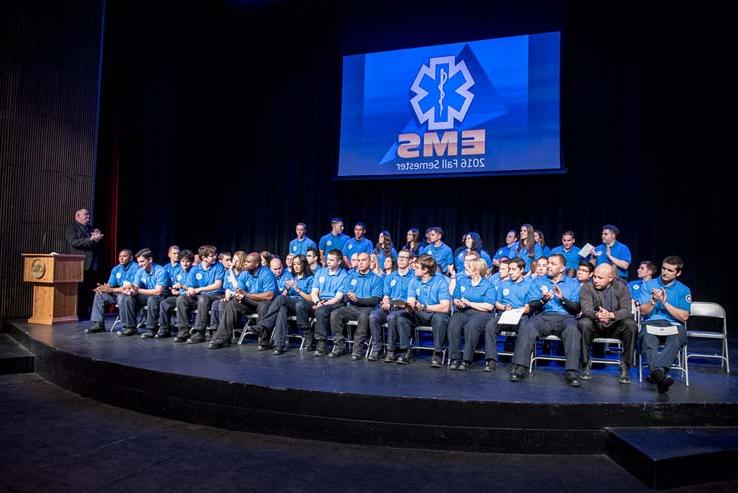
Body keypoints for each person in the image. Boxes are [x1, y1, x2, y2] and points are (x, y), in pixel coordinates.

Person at [509, 254, 583, 387]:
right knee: (528, 326)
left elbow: (576, 309)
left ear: (562, 268)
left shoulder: (572, 283)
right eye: (548, 262)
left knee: (573, 328)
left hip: (565, 318)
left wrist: (562, 299)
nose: (549, 266)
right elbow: (531, 305)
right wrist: (543, 300)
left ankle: (572, 371)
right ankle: (520, 367)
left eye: (553, 264)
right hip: (543, 316)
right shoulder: (538, 281)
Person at [637, 256, 691, 393]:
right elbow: (643, 311)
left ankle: (656, 372)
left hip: (673, 324)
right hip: (651, 322)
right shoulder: (649, 285)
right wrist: (654, 300)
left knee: (677, 337)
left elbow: (684, 317)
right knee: (647, 338)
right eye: (663, 268)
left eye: (670, 270)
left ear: (678, 273)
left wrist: (665, 303)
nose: (665, 272)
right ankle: (660, 375)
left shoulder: (684, 290)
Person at [578, 264, 636, 384]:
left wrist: (610, 315)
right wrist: (598, 315)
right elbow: (586, 309)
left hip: (615, 325)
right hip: (596, 325)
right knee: (584, 323)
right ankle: (585, 364)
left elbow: (626, 310)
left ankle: (625, 366)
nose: (595, 280)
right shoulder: (587, 287)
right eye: (594, 276)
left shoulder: (621, 286)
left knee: (631, 325)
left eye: (600, 278)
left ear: (611, 278)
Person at [210, 252, 277, 349]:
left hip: (265, 302)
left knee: (265, 305)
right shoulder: (244, 274)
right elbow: (240, 290)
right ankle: (221, 338)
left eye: (248, 262)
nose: (244, 263)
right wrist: (238, 295)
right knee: (233, 304)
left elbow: (269, 295)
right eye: (245, 261)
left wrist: (247, 294)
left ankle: (264, 341)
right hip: (250, 302)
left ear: (256, 264)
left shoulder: (266, 273)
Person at [397, 254, 451, 367]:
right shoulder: (414, 281)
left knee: (440, 319)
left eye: (417, 267)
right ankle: (405, 351)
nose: (414, 269)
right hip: (420, 313)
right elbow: (411, 300)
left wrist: (425, 307)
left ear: (425, 270)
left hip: (435, 313)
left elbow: (445, 307)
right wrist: (408, 306)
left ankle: (437, 353)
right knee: (403, 317)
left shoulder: (440, 282)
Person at [328, 252, 383, 359]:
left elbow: (375, 300)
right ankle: (339, 345)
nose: (360, 263)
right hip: (352, 307)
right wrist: (348, 296)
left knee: (363, 316)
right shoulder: (351, 277)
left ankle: (358, 349)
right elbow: (344, 295)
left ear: (370, 262)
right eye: (358, 260)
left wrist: (358, 299)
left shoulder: (376, 279)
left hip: (368, 308)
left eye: (363, 260)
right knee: (336, 313)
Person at [447, 257, 496, 370]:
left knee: (471, 326)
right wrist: (458, 302)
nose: (466, 269)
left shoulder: (488, 285)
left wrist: (469, 303)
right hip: (463, 311)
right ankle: (454, 358)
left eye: (469, 267)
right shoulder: (463, 281)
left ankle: (466, 360)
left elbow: (489, 306)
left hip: (481, 313)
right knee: (454, 323)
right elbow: (456, 297)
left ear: (476, 270)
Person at [483, 257, 531, 371]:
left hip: (520, 316)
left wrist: (517, 311)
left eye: (514, 269)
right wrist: (504, 307)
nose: (510, 272)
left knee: (525, 328)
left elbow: (528, 308)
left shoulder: (528, 285)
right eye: (509, 269)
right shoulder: (503, 284)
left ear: (522, 269)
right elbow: (497, 303)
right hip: (504, 314)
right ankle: (491, 360)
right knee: (490, 325)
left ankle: (518, 363)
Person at [370, 250, 414, 363]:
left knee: (392, 317)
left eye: (404, 257)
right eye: (399, 257)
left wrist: (394, 303)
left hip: (404, 309)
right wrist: (385, 302)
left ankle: (391, 350)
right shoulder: (391, 276)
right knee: (374, 316)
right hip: (390, 306)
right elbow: (386, 295)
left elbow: (411, 301)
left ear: (410, 261)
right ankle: (377, 349)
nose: (401, 259)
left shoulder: (414, 277)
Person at [175, 245, 225, 344]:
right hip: (201, 296)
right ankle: (183, 330)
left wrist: (199, 289)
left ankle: (199, 332)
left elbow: (217, 285)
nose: (215, 257)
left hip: (216, 296)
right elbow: (190, 285)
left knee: (203, 298)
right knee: (182, 298)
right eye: (212, 255)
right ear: (203, 258)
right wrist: (191, 290)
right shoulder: (195, 269)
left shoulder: (219, 266)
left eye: (215, 255)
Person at [265, 254, 315, 354]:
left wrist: (298, 289)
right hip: (292, 304)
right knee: (281, 309)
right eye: (294, 264)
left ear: (304, 265)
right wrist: (287, 288)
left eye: (298, 264)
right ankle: (279, 345)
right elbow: (284, 296)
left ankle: (264, 325)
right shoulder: (292, 277)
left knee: (293, 303)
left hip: (305, 305)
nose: (296, 266)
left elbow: (311, 298)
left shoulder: (310, 278)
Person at [118, 249, 170, 338]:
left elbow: (158, 291)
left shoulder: (161, 271)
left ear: (150, 260)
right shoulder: (140, 271)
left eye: (142, 261)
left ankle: (151, 329)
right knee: (128, 298)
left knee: (152, 299)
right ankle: (131, 327)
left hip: (162, 296)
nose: (140, 264)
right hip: (148, 294)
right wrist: (130, 290)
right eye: (138, 262)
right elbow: (136, 287)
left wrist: (137, 290)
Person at [85, 249, 138, 333]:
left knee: (122, 297)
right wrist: (102, 288)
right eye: (120, 256)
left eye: (124, 256)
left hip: (131, 295)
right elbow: (110, 284)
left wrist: (111, 289)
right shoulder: (116, 269)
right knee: (99, 295)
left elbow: (130, 288)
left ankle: (127, 326)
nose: (121, 258)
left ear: (131, 258)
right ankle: (99, 324)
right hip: (118, 293)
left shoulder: (136, 268)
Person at [64, 208, 104, 318]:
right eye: (85, 215)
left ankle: (90, 314)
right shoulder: (71, 228)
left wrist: (97, 239)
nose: (88, 217)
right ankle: (78, 313)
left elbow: (94, 244)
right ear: (77, 216)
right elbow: (74, 242)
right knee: (79, 290)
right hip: (79, 264)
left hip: (92, 264)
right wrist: (91, 239)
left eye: (89, 215)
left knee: (91, 289)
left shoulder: (91, 228)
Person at [311, 249, 349, 356]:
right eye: (328, 259)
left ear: (339, 262)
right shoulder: (320, 272)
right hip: (319, 301)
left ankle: (321, 342)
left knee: (321, 311)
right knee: (301, 306)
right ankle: (308, 338)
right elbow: (314, 292)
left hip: (335, 303)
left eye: (332, 260)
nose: (328, 262)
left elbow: (338, 298)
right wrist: (318, 302)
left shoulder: (344, 275)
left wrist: (321, 304)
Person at [156, 249, 194, 339]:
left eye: (187, 261)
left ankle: (183, 330)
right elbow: (176, 286)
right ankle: (164, 329)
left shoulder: (194, 271)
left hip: (192, 297)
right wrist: (175, 291)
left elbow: (195, 289)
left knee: (181, 300)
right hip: (180, 296)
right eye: (183, 261)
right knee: (165, 302)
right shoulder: (178, 271)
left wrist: (182, 286)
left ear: (191, 262)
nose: (185, 264)